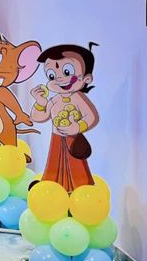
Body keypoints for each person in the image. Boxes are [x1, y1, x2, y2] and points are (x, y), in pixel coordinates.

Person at [30, 43, 99, 193]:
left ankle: (79, 190)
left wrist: (77, 127)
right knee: (54, 163)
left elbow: (91, 117)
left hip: (73, 139)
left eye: (67, 71)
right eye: (52, 75)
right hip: (56, 138)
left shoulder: (78, 98)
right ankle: (52, 186)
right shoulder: (55, 100)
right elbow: (39, 116)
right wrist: (40, 102)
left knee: (76, 165)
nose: (59, 79)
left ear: (87, 78)